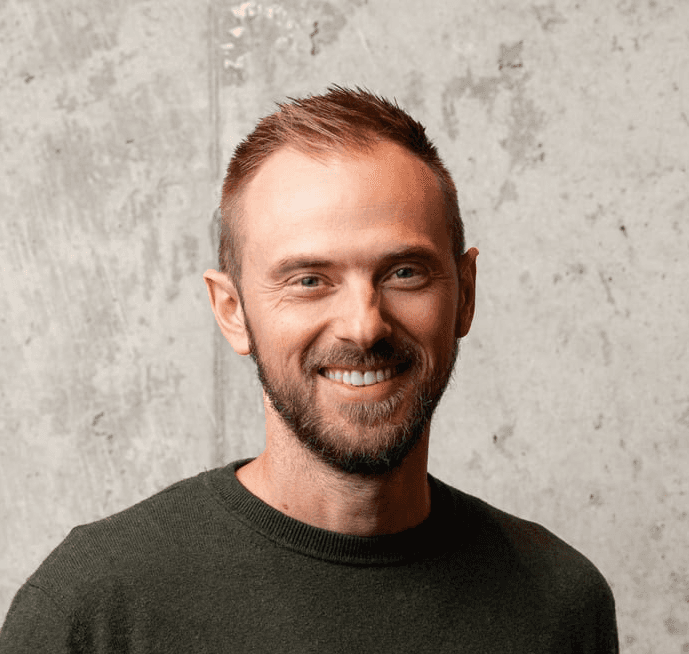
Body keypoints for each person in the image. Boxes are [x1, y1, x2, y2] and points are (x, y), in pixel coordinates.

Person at [0, 87, 618, 652]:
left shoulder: (559, 603)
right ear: (233, 312)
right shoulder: (94, 609)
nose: (364, 326)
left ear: (466, 293)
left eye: (404, 272)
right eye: (309, 280)